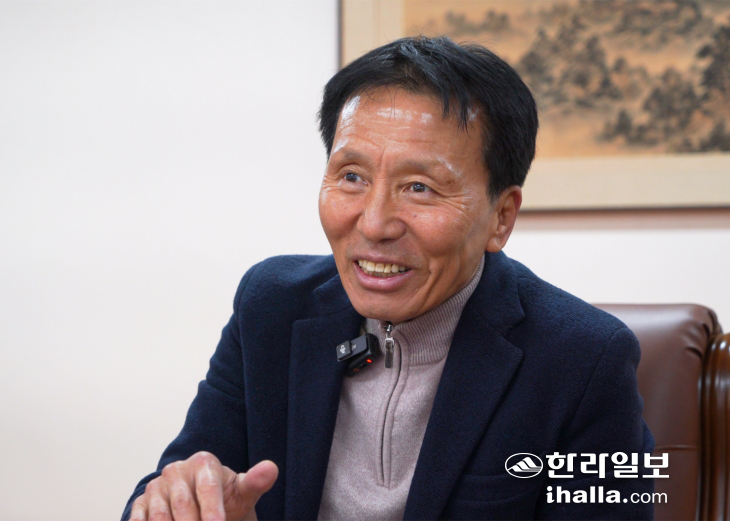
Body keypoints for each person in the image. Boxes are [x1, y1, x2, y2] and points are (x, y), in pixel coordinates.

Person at [123, 36, 655, 521]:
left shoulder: (583, 360)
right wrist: (179, 504)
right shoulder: (272, 307)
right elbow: (169, 493)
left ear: (501, 216)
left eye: (419, 187)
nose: (374, 224)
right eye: (352, 176)